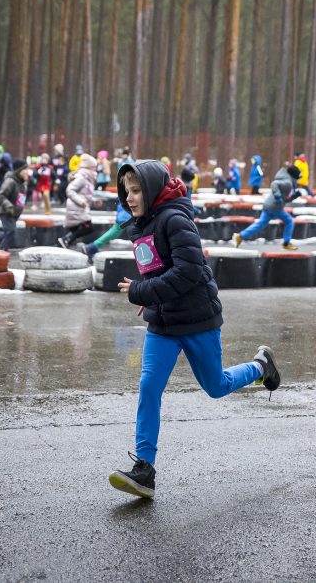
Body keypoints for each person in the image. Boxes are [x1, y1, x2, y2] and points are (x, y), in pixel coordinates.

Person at [109, 160, 282, 499]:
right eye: (126, 191)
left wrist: (140, 292)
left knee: (216, 386)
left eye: (136, 190)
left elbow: (187, 273)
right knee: (148, 386)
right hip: (163, 322)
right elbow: (158, 269)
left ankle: (261, 366)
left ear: (153, 189)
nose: (129, 198)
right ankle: (144, 469)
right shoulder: (141, 225)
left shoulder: (175, 220)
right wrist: (150, 294)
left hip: (196, 317)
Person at [233, 165, 302, 250]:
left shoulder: (287, 181)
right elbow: (274, 184)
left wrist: (294, 196)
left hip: (269, 206)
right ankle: (286, 243)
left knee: (260, 224)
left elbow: (284, 199)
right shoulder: (288, 182)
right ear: (295, 176)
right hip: (274, 207)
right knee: (289, 221)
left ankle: (240, 236)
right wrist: (277, 196)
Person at [0, 159, 30, 251]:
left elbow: (20, 200)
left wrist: (17, 211)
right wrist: (9, 206)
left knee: (11, 235)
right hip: (5, 211)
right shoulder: (10, 181)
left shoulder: (23, 185)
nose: (28, 172)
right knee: (11, 232)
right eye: (25, 169)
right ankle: (1, 253)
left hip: (14, 213)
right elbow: (0, 196)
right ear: (19, 171)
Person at [60, 153, 98, 248]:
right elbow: (69, 190)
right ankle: (66, 239)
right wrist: (80, 201)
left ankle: (67, 241)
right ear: (88, 167)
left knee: (77, 229)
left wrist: (94, 201)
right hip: (77, 207)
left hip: (81, 208)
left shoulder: (89, 179)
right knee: (88, 227)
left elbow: (86, 195)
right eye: (93, 167)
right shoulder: (81, 178)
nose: (95, 170)